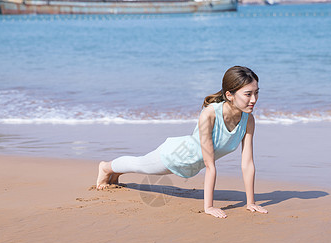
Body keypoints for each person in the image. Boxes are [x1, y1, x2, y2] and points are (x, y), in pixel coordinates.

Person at [96, 66, 268, 218]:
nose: (254, 99)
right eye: (248, 94)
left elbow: (247, 163)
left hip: (191, 165)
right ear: (229, 95)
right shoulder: (210, 114)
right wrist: (208, 207)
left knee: (138, 165)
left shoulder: (248, 120)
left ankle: (116, 173)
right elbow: (210, 165)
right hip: (175, 156)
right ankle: (106, 167)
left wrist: (250, 202)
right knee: (139, 164)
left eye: (256, 92)